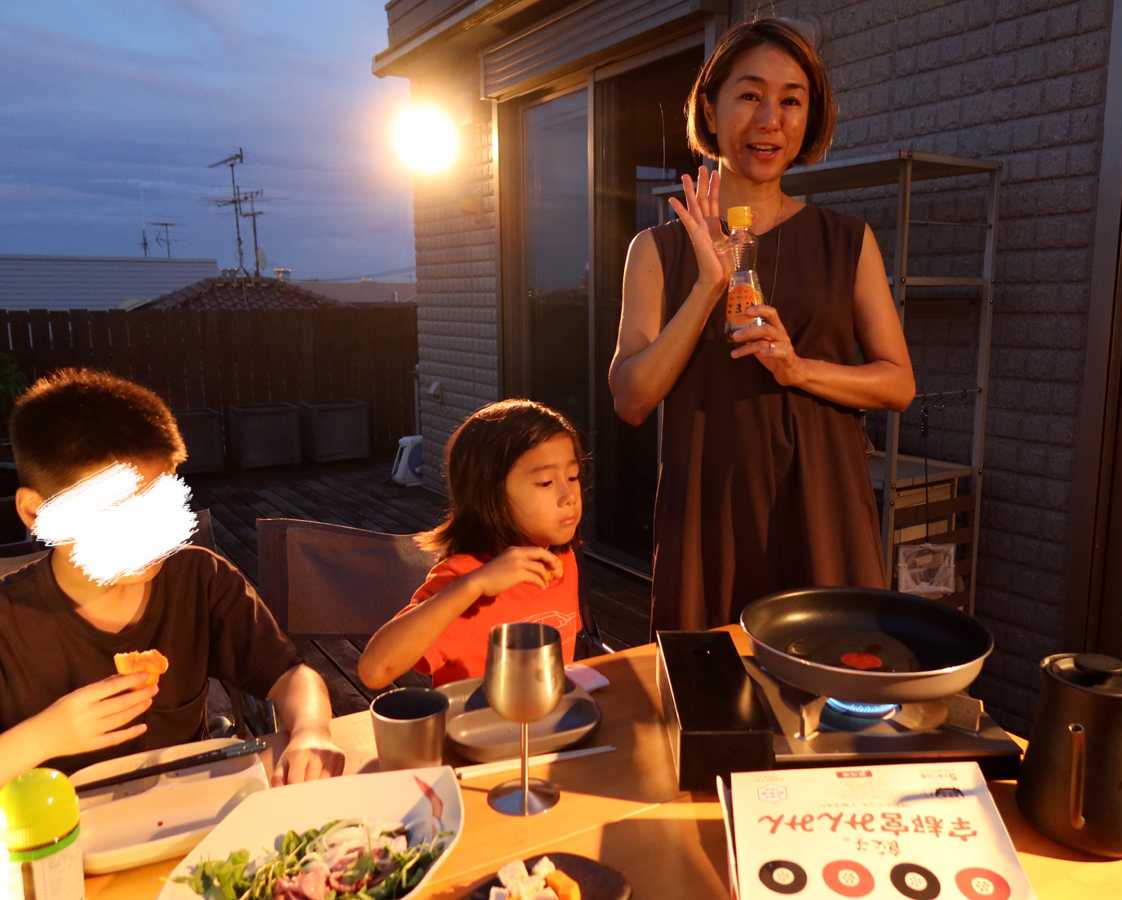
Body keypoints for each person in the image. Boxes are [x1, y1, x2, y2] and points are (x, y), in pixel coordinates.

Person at [609, 19, 916, 633]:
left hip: (823, 510)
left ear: (810, 118)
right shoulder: (657, 249)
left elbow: (897, 385)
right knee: (714, 708)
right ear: (711, 109)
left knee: (833, 699)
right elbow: (633, 398)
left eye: (792, 100)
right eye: (750, 95)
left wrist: (798, 368)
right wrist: (708, 286)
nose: (770, 118)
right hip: (707, 518)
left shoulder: (846, 240)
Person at [0, 368, 344, 786]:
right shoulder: (10, 625)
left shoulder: (199, 580)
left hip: (190, 820)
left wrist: (312, 730)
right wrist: (42, 737)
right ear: (37, 513)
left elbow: (291, 676)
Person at [358, 400, 582, 689]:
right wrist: (473, 586)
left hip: (549, 727)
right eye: (545, 482)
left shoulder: (564, 560)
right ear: (489, 494)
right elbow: (375, 670)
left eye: (573, 476)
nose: (569, 496)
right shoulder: (464, 577)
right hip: (477, 731)